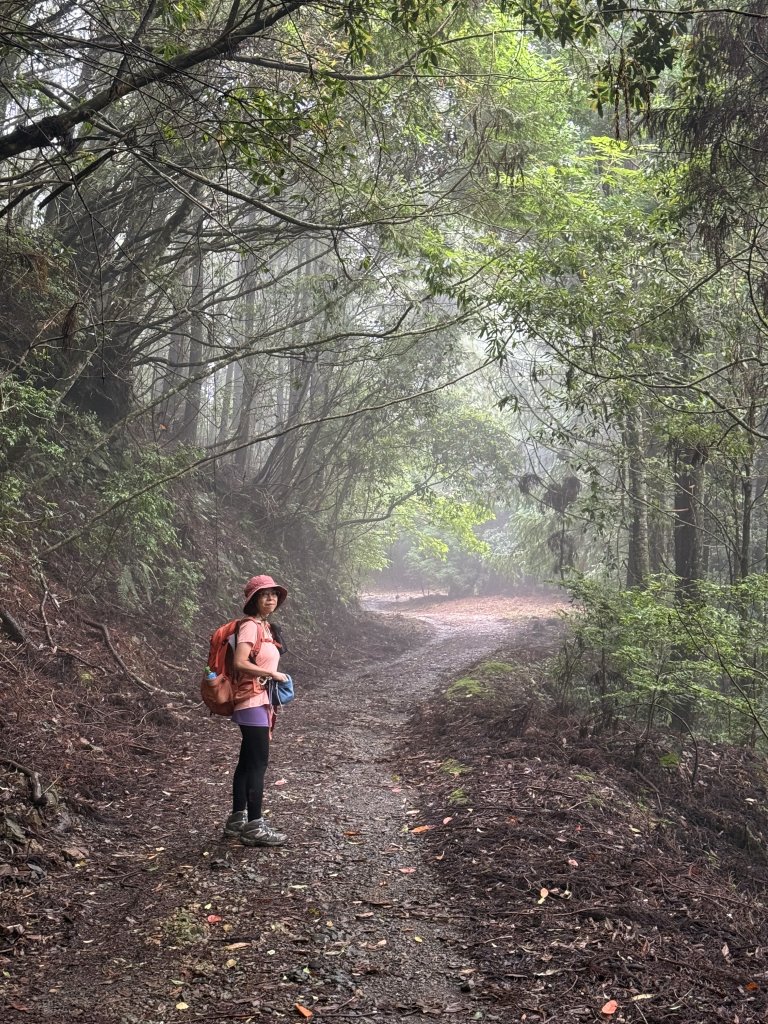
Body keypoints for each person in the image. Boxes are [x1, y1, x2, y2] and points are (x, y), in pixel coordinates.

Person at [223, 574, 291, 847]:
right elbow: (240, 662)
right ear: (253, 600)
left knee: (247, 761)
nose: (270, 598)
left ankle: (237, 820)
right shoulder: (251, 626)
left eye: (274, 594)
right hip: (252, 699)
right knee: (258, 764)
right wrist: (272, 674)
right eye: (264, 594)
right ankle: (255, 825)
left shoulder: (263, 626)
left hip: (256, 701)